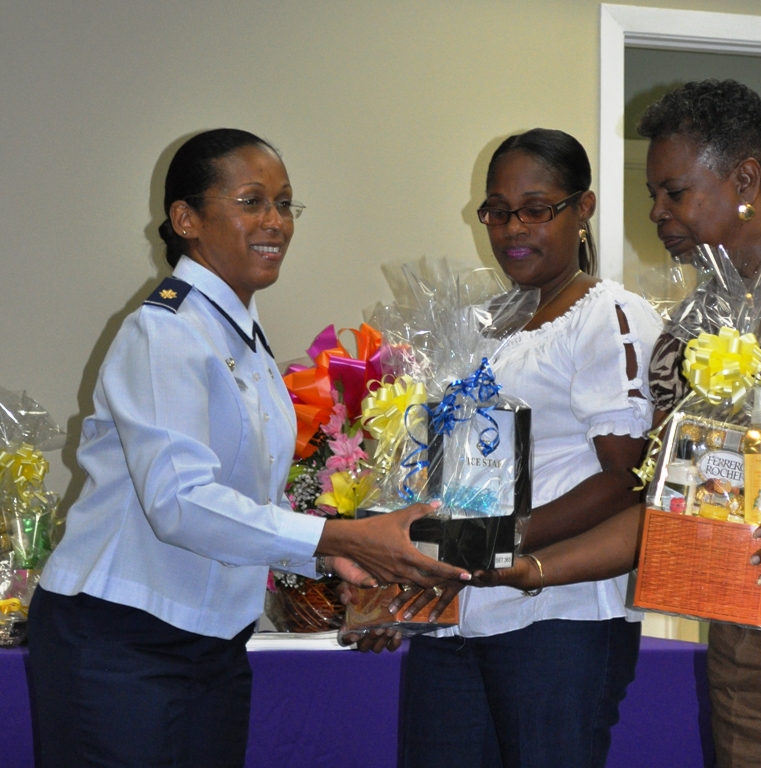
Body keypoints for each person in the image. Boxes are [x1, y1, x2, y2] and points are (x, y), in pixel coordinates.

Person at [482, 80, 761, 768]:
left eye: (673, 192)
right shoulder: (684, 334)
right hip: (751, 641)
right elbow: (665, 510)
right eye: (654, 194)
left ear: (743, 178)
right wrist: (534, 568)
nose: (655, 212)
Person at [27, 128, 470, 768]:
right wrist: (341, 539)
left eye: (286, 204)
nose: (276, 222)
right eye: (252, 201)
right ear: (186, 220)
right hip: (120, 641)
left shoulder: (243, 335)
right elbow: (180, 503)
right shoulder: (166, 332)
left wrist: (335, 563)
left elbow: (240, 504)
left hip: (210, 643)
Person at [395, 128, 662, 768]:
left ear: (583, 209)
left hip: (558, 618)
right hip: (458, 608)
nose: (514, 228)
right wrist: (408, 562)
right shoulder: (476, 324)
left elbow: (627, 477)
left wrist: (508, 543)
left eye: (537, 209)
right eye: (497, 210)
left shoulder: (609, 315)